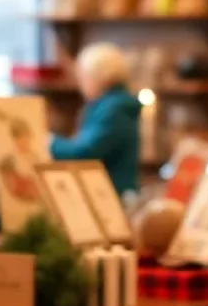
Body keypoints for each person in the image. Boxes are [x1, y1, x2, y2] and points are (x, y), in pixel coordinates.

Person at [51, 42, 141, 195]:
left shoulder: (114, 108)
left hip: (111, 192)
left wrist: (49, 142)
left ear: (97, 76)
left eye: (83, 77)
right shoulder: (109, 105)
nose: (81, 85)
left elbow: (85, 152)